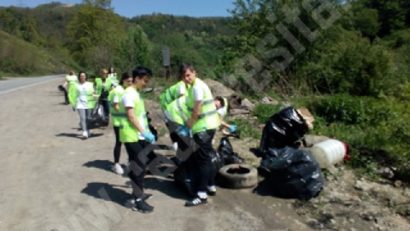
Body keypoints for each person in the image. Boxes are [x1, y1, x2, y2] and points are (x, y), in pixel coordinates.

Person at [178, 63, 220, 207]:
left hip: (203, 128)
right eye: (184, 76)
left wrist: (187, 126)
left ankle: (201, 194)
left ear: (194, 73)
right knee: (206, 159)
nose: (186, 78)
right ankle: (210, 185)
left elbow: (196, 112)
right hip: (208, 126)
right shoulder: (197, 85)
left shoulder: (196, 88)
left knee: (202, 161)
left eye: (188, 75)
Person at [119, 66, 156, 213]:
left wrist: (146, 132)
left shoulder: (136, 93)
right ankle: (137, 200)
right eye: (145, 80)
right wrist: (144, 132)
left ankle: (137, 194)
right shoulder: (129, 94)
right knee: (138, 168)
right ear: (137, 78)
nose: (146, 83)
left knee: (140, 167)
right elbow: (131, 116)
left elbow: (140, 116)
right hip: (131, 136)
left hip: (139, 135)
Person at [108, 72, 133, 175]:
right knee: (119, 142)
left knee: (128, 142)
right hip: (119, 122)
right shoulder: (118, 91)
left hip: (125, 121)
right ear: (123, 80)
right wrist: (128, 113)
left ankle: (129, 163)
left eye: (132, 81)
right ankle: (116, 164)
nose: (130, 83)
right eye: (128, 81)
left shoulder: (125, 90)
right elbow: (116, 106)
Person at [69, 71, 96, 139]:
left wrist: (96, 100)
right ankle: (84, 132)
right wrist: (73, 104)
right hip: (80, 103)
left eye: (83, 76)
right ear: (79, 77)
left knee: (88, 118)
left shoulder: (90, 84)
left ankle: (88, 130)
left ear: (86, 77)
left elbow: (93, 93)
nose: (82, 77)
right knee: (82, 118)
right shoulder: (76, 85)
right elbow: (73, 95)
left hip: (89, 103)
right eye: (81, 76)